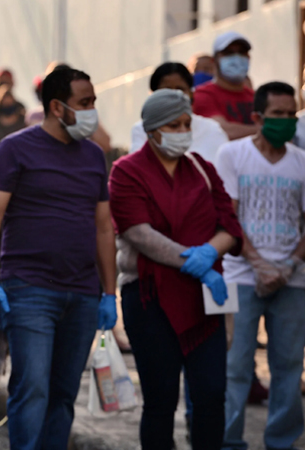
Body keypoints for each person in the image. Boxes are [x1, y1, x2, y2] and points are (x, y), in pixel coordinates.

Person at [0, 67, 118, 449]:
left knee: (63, 393)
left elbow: (104, 227)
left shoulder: (93, 154)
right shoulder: (15, 149)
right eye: (84, 103)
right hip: (29, 288)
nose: (92, 110)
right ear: (57, 106)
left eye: (93, 102)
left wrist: (109, 292)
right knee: (32, 387)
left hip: (84, 292)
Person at [110, 89, 242, 450]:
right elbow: (138, 231)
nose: (183, 131)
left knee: (212, 393)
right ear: (152, 130)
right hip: (151, 299)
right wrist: (194, 262)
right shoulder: (127, 171)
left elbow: (230, 226)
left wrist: (208, 253)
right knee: (161, 398)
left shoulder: (202, 168)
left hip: (204, 299)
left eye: (187, 123)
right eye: (174, 124)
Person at [216, 82, 305, 450]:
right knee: (235, 366)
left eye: (291, 115)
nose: (286, 122)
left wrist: (287, 266)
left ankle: (281, 443)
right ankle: (228, 441)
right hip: (240, 276)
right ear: (257, 117)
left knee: (288, 367)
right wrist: (259, 264)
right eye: (278, 115)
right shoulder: (232, 155)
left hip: (294, 280)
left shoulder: (302, 162)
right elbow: (228, 216)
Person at [130, 62, 228, 163]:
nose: (174, 97)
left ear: (191, 93)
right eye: (166, 91)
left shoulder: (211, 129)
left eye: (180, 89)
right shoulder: (143, 129)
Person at [193, 31, 259, 140]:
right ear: (214, 61)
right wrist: (265, 131)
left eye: (241, 52)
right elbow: (222, 131)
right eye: (229, 53)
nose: (236, 58)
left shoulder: (256, 97)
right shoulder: (203, 95)